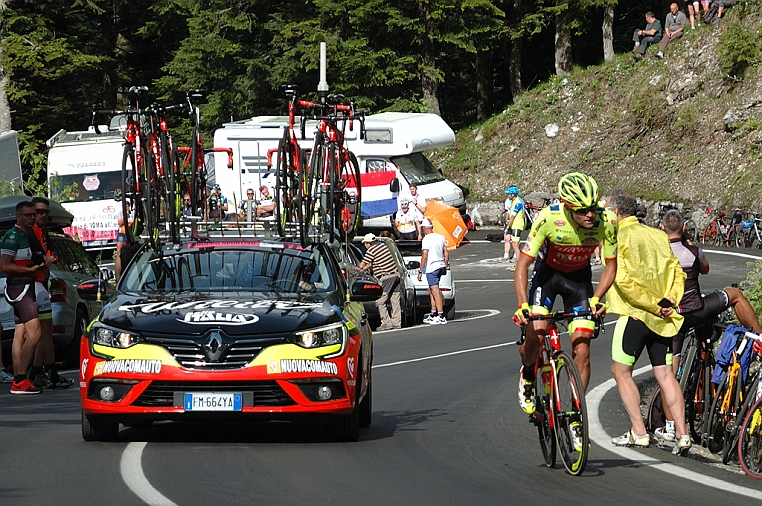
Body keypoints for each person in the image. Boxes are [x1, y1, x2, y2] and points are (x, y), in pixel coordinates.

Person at [513, 172, 617, 417]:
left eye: (592, 207)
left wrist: (597, 297)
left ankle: (575, 413)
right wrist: (522, 304)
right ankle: (528, 375)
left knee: (582, 351)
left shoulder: (608, 221)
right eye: (582, 210)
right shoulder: (548, 218)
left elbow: (611, 266)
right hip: (547, 278)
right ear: (568, 209)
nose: (590, 214)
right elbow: (523, 264)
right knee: (536, 336)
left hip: (579, 281)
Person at [604, 189, 691, 456]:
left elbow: (623, 281)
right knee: (665, 375)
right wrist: (669, 301)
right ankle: (682, 434)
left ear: (616, 212)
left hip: (634, 314)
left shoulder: (617, 235)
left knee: (620, 371)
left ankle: (639, 432)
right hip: (663, 318)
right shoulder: (658, 234)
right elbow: (678, 271)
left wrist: (652, 304)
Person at [662, 209, 762, 371]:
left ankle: (668, 391)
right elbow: (705, 269)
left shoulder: (658, 253)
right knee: (735, 294)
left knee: (670, 373)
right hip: (695, 309)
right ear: (684, 228)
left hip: (670, 314)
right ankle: (760, 339)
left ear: (662, 228)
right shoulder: (693, 251)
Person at [1, 201, 46, 394]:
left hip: (25, 286)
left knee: (26, 333)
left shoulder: (26, 235)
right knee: (35, 333)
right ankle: (20, 379)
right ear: (18, 216)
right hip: (19, 288)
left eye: (33, 214)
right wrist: (29, 269)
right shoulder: (13, 236)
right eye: (28, 215)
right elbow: (5, 266)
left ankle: (21, 378)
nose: (32, 218)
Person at [28, 197, 72, 388]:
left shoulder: (43, 231)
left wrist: (49, 259)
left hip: (42, 282)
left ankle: (38, 370)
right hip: (33, 284)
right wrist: (47, 259)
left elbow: (53, 255)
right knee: (40, 331)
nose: (42, 215)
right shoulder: (29, 233)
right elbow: (40, 258)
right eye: (39, 212)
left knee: (44, 331)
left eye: (45, 212)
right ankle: (44, 373)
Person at [358, 233, 402, 331]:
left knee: (380, 301)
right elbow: (371, 263)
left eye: (365, 243)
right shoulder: (382, 246)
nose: (365, 246)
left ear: (368, 243)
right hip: (395, 274)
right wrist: (365, 268)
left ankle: (386, 323)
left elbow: (362, 264)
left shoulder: (371, 250)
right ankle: (396, 322)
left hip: (386, 277)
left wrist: (358, 269)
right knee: (395, 299)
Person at [418, 218, 449, 325]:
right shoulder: (440, 237)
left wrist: (420, 270)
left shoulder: (426, 239)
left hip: (432, 267)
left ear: (425, 228)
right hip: (440, 265)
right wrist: (445, 265)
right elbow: (446, 253)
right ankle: (433, 313)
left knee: (435, 291)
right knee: (431, 289)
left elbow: (424, 255)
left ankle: (440, 315)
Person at [500, 185, 525, 269]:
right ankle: (518, 264)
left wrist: (507, 227)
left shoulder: (517, 202)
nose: (508, 195)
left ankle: (519, 265)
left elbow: (512, 216)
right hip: (515, 225)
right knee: (515, 244)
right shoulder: (514, 202)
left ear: (513, 195)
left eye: (509, 194)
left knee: (515, 245)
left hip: (517, 225)